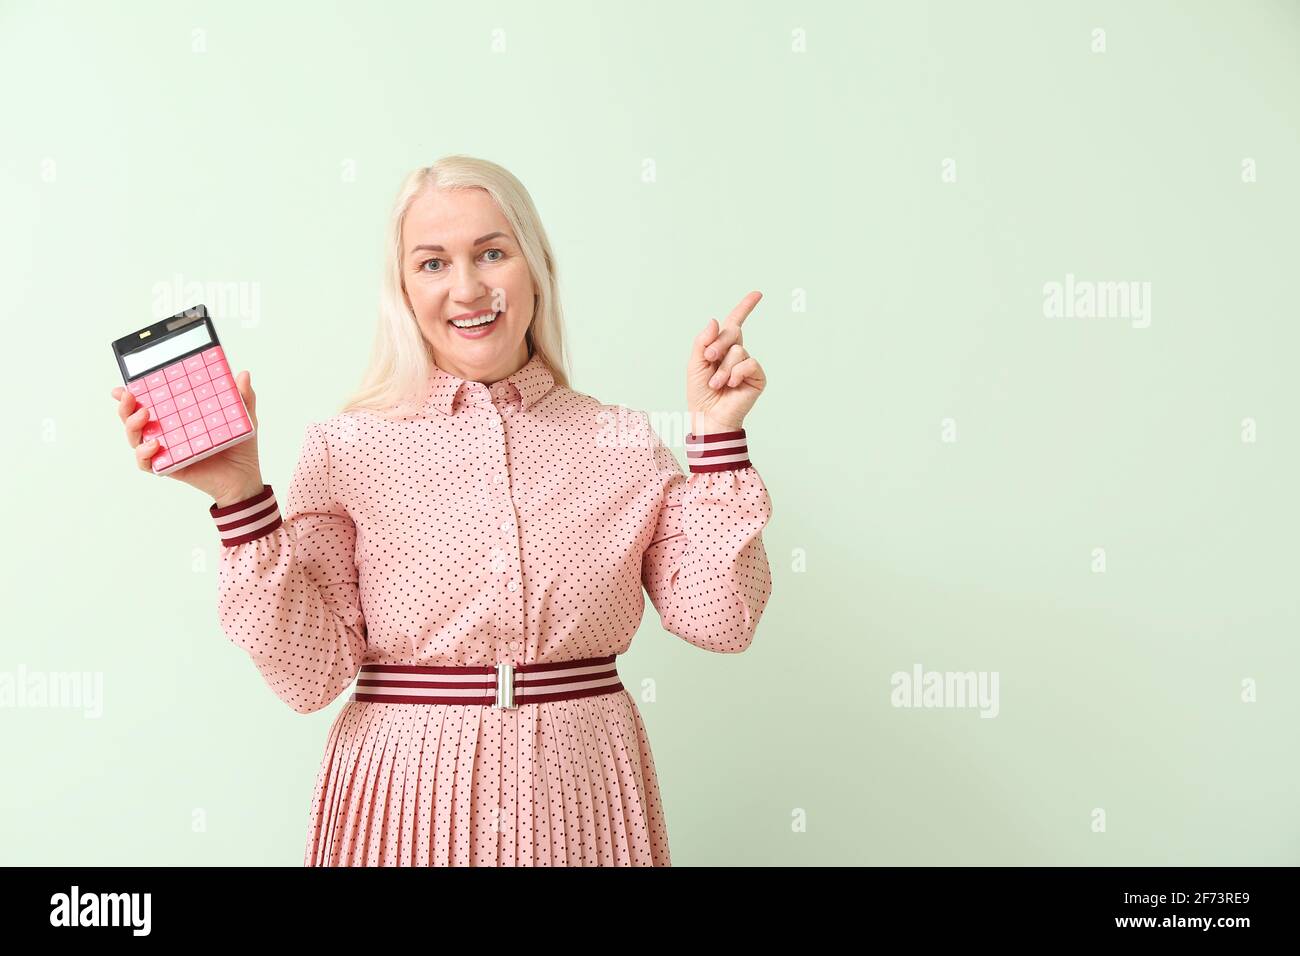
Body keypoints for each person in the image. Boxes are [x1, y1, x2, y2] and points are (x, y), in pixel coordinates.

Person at [110, 155, 773, 866]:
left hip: (580, 797)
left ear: (535, 266)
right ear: (402, 287)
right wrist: (239, 495)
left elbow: (722, 618)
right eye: (432, 263)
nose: (467, 288)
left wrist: (717, 435)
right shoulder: (345, 449)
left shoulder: (622, 441)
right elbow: (309, 678)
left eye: (491, 252)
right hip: (401, 800)